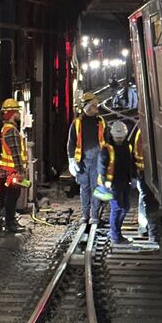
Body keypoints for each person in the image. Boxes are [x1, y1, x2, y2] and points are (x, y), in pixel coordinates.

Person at [67, 92, 107, 224]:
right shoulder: (77, 123)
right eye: (94, 105)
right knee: (85, 188)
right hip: (82, 161)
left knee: (96, 187)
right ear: (88, 107)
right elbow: (71, 142)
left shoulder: (101, 122)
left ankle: (94, 216)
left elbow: (107, 141)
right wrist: (72, 160)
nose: (97, 107)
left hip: (97, 160)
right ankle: (85, 215)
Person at [98, 121, 135, 244]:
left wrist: (133, 177)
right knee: (117, 207)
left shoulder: (127, 145)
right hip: (112, 184)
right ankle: (115, 235)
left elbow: (131, 162)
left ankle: (116, 232)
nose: (119, 140)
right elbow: (102, 167)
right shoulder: (106, 148)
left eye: (121, 137)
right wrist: (105, 182)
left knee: (126, 207)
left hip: (124, 181)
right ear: (113, 135)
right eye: (118, 138)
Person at [0, 98, 30, 233]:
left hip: (8, 170)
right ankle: (10, 223)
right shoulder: (11, 131)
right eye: (16, 111)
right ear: (12, 113)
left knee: (10, 196)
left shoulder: (6, 128)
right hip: (12, 171)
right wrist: (20, 170)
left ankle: (10, 221)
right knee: (12, 196)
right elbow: (16, 152)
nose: (18, 113)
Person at [131, 128, 158, 242]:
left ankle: (145, 229)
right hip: (144, 172)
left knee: (145, 200)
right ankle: (148, 231)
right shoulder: (142, 133)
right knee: (147, 200)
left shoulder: (141, 132)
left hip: (144, 172)